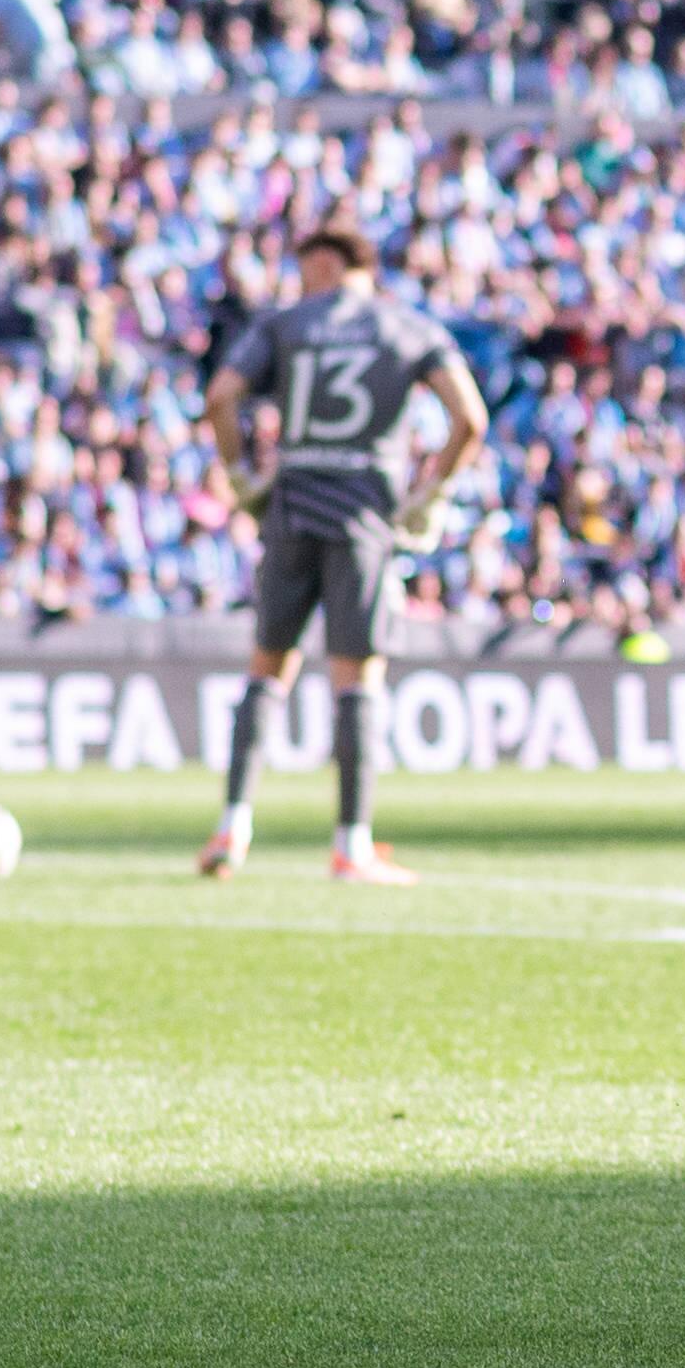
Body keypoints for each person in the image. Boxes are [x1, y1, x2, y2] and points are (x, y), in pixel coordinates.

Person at [198, 221, 489, 884]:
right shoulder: (407, 327)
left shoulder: (285, 325)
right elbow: (470, 419)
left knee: (267, 667)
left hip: (292, 505)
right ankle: (351, 844)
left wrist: (241, 476)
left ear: (326, 264)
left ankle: (232, 826)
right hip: (364, 511)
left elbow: (221, 397)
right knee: (357, 679)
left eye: (303, 270)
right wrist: (432, 492)